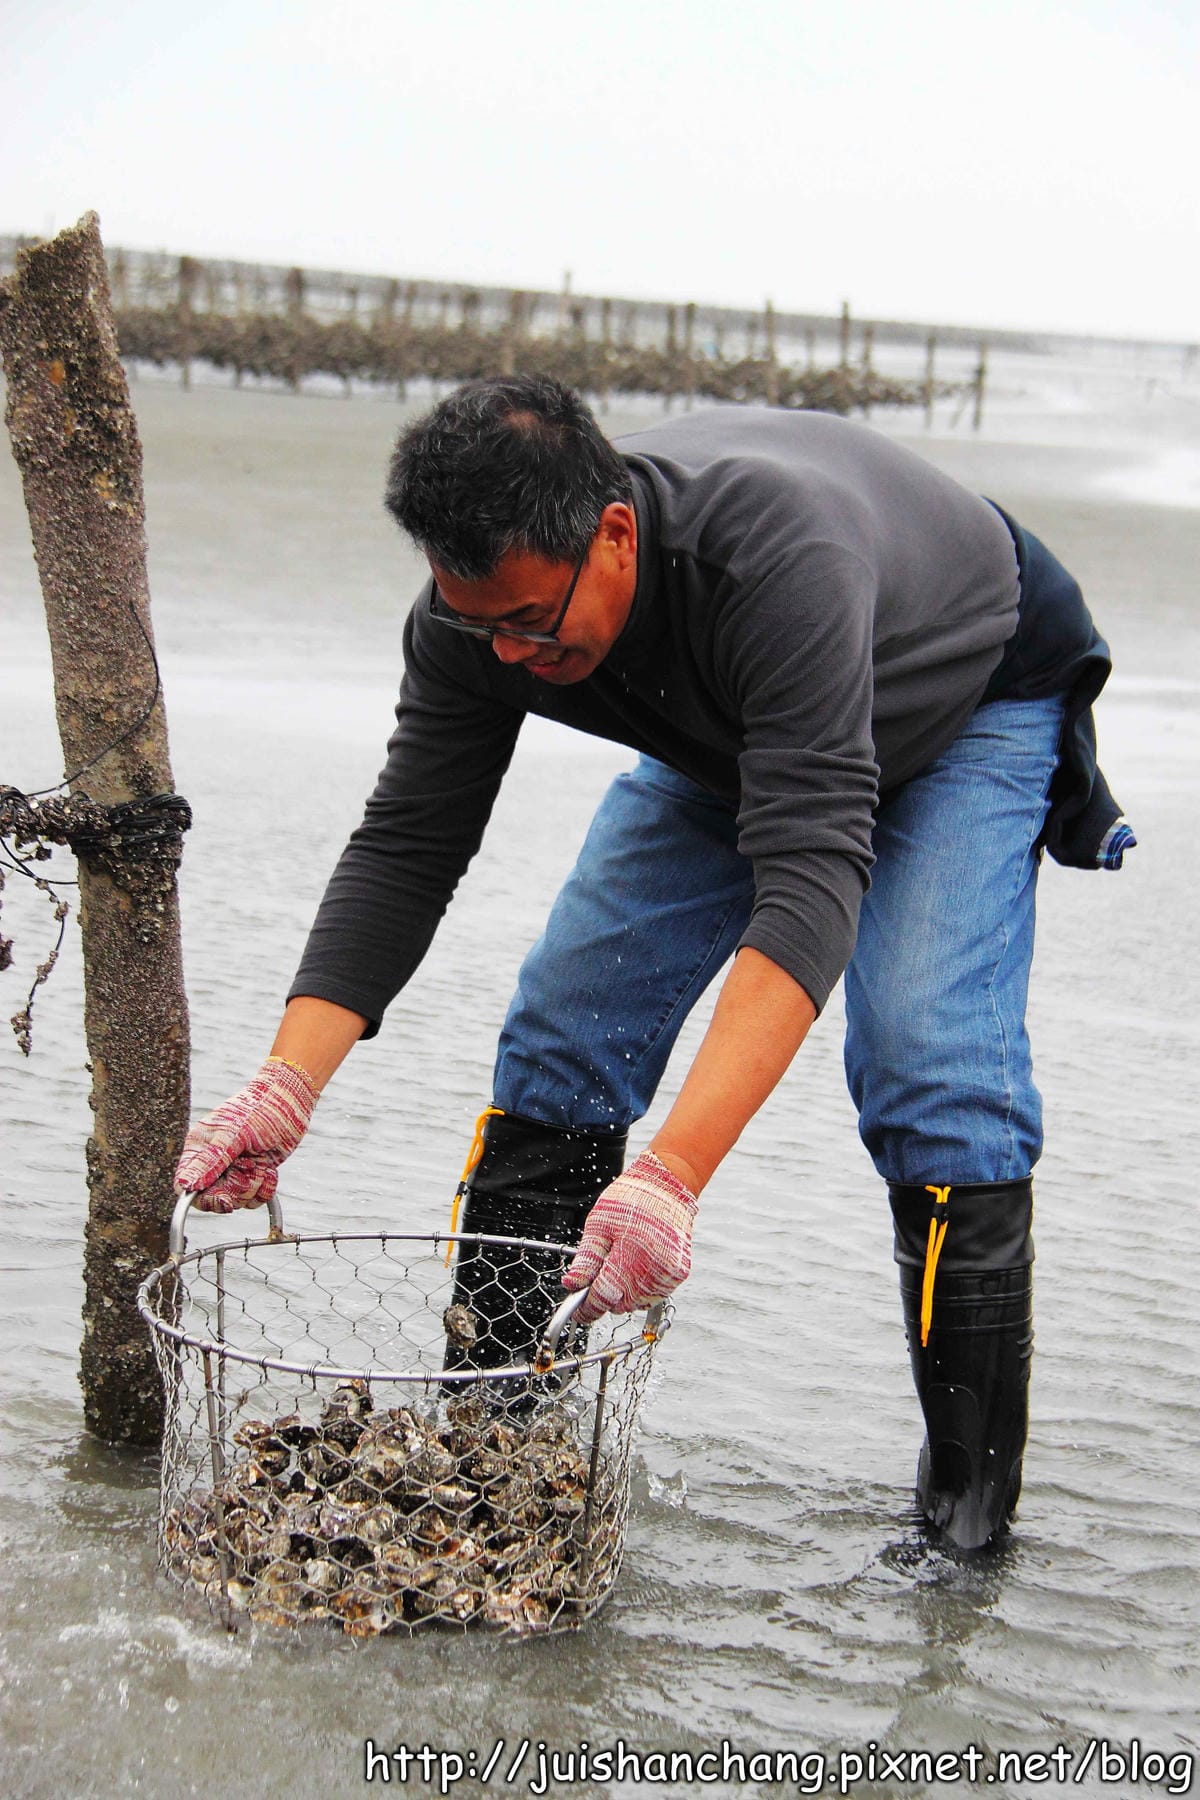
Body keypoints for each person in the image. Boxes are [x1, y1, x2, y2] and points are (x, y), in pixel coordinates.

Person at [174, 375, 1134, 1551]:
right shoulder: (478, 621)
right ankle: (493, 1446)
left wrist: (672, 1175)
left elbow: (813, 871)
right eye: (483, 627)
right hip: (745, 722)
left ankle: (963, 1530)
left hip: (962, 692)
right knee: (566, 1025)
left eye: (533, 621)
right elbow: (408, 846)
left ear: (615, 536)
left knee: (927, 1064)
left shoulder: (773, 565)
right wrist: (287, 1085)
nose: (512, 656)